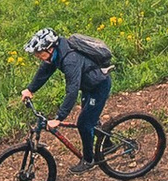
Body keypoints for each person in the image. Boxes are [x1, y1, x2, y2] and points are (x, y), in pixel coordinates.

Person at [24, 24, 114, 166]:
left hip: (98, 87)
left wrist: (59, 118)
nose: (39, 57)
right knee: (90, 118)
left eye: (40, 54)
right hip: (89, 85)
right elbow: (45, 70)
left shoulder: (70, 60)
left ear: (50, 48)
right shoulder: (58, 52)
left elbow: (72, 90)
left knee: (84, 124)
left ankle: (89, 160)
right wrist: (30, 89)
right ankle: (107, 144)